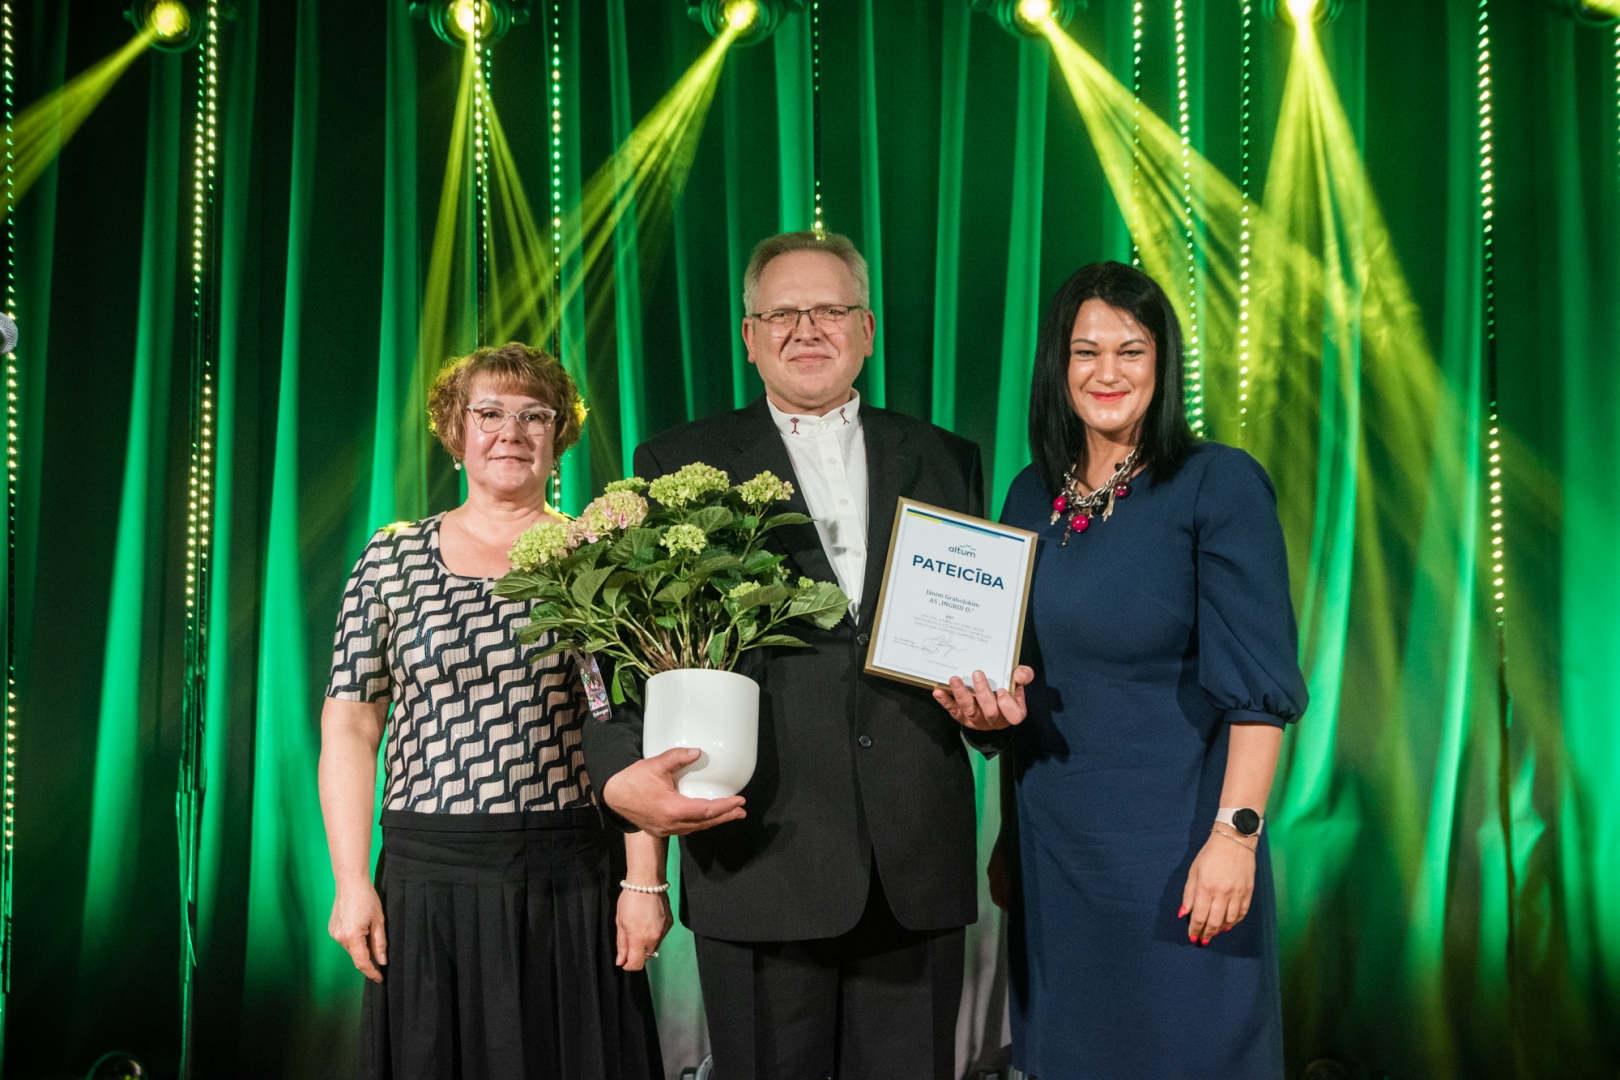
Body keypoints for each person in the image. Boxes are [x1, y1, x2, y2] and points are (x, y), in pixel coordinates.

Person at [582, 231, 1017, 1080]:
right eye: (782, 314)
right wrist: (617, 772)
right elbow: (627, 649)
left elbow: (977, 635)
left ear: (868, 329)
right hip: (759, 855)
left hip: (915, 859)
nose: (807, 329)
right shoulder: (676, 461)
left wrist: (993, 714)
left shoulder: (947, 457)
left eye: (830, 310)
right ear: (749, 337)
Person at [935, 261, 1308, 1079]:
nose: (1107, 372)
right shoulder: (1029, 495)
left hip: (1178, 853)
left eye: (1131, 351)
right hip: (1054, 859)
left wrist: (1235, 837)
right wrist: (1001, 806)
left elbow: (1259, 694)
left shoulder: (1218, 483)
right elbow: (1020, 678)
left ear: (1162, 363)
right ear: (1058, 365)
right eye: (1086, 351)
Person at [318, 342, 668, 1080]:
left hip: (569, 879)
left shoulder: (596, 557)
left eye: (534, 415)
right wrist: (351, 882)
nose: (512, 432)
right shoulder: (391, 560)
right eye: (490, 413)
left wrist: (644, 883)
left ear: (559, 436)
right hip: (426, 881)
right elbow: (350, 725)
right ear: (456, 431)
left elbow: (633, 729)